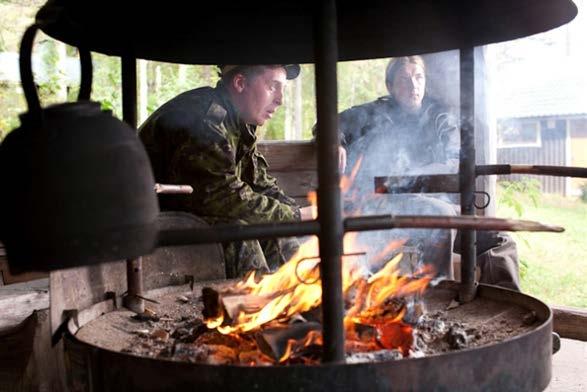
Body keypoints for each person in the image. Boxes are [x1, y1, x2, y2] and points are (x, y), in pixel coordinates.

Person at [338, 55, 520, 289]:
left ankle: (506, 307)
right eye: (404, 79)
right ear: (390, 86)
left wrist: (411, 176)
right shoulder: (375, 113)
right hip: (387, 211)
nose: (413, 86)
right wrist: (335, 141)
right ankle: (438, 304)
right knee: (440, 215)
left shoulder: (439, 117)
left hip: (436, 206)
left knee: (498, 239)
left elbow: (454, 160)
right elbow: (330, 123)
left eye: (418, 77)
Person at [140, 64, 312, 278]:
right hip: (148, 221)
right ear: (240, 83)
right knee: (241, 235)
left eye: (282, 89)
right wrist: (296, 215)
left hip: (189, 216)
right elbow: (224, 196)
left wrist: (304, 215)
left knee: (278, 232)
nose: (280, 99)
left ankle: (306, 298)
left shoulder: (238, 121)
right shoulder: (206, 120)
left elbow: (259, 183)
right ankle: (255, 307)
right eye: (272, 87)